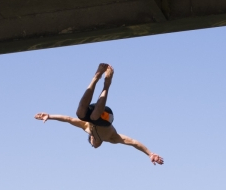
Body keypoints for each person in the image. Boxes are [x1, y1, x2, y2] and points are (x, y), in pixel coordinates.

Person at [35, 64, 164, 165]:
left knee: (80, 113)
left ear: (91, 139)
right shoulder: (112, 138)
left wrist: (50, 116)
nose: (97, 143)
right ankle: (106, 84)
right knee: (95, 117)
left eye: (94, 144)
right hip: (106, 116)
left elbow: (67, 119)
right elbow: (133, 142)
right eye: (98, 144)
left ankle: (95, 78)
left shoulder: (86, 127)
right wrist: (149, 153)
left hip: (94, 112)